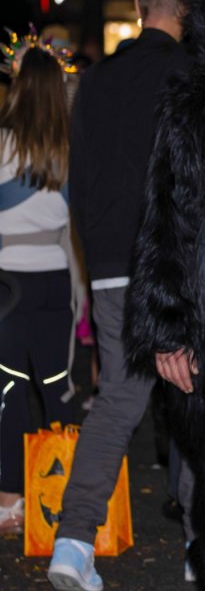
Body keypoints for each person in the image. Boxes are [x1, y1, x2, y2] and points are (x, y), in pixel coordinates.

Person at [47, 0, 190, 591]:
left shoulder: (97, 79)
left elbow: (81, 177)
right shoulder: (189, 79)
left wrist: (98, 254)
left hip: (110, 265)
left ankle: (75, 540)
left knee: (119, 402)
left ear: (139, 4)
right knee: (193, 399)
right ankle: (204, 549)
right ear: (189, 10)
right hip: (174, 264)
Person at [0, 44, 77, 532]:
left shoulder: (2, 143)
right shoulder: (71, 146)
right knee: (57, 391)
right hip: (55, 281)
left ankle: (11, 500)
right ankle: (73, 498)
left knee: (8, 389)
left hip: (8, 284)